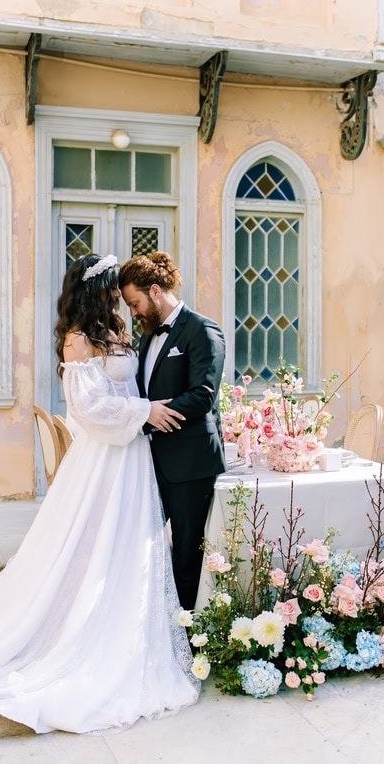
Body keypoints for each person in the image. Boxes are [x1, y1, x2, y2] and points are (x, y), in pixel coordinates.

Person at [0, 253, 199, 734]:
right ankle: (79, 625)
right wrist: (144, 412)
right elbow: (88, 408)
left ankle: (126, 624)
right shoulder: (77, 338)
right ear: (96, 290)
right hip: (106, 458)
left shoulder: (115, 330)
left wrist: (146, 410)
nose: (119, 296)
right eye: (112, 287)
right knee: (93, 542)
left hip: (133, 457)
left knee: (128, 543)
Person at [119, 251, 226, 611]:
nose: (133, 313)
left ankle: (186, 628)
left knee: (186, 551)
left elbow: (203, 395)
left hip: (191, 462)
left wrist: (151, 415)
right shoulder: (148, 337)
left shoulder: (203, 330)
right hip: (152, 458)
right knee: (142, 542)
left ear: (155, 291)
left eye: (135, 304)